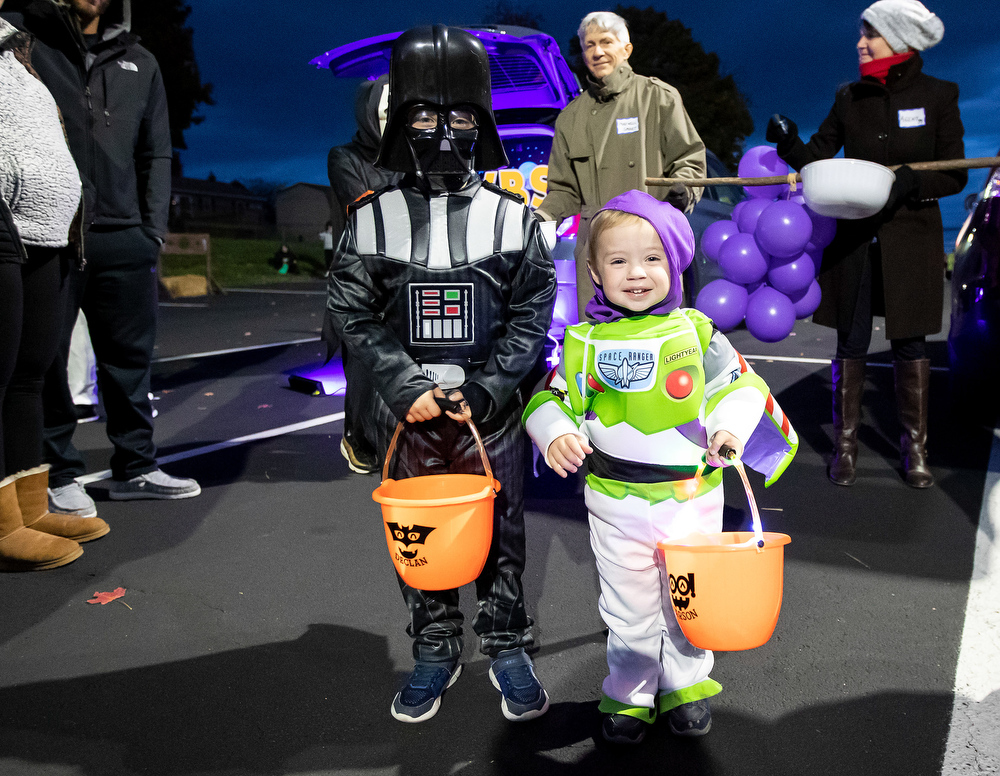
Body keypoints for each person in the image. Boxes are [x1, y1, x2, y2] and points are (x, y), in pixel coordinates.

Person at [327, 25, 557, 724]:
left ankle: (506, 638)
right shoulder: (370, 222)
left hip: (494, 414)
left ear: (482, 122)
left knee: (505, 529)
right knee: (420, 536)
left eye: (459, 117)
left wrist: (489, 387)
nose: (442, 133)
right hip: (411, 420)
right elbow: (350, 307)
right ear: (399, 122)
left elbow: (532, 310)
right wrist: (404, 388)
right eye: (423, 116)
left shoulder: (516, 221)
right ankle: (434, 643)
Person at [523, 190, 797, 744]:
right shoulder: (582, 342)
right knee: (627, 607)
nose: (637, 273)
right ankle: (630, 694)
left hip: (690, 499)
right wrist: (556, 434)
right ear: (595, 274)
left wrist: (729, 424)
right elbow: (548, 400)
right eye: (617, 260)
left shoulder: (697, 333)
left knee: (688, 600)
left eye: (652, 258)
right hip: (614, 501)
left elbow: (739, 385)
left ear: (675, 264)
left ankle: (686, 685)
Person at [1, 0, 201, 518]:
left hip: (125, 236)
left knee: (130, 361)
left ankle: (136, 465)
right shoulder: (28, 43)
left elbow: (156, 151)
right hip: (55, 231)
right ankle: (58, 472)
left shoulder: (142, 61)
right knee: (44, 360)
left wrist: (150, 230)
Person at [766, 0, 965, 489]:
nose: (860, 43)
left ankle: (914, 449)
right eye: (861, 34)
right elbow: (817, 156)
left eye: (870, 34)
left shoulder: (939, 94)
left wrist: (912, 184)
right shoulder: (848, 96)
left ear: (898, 39)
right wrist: (788, 142)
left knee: (911, 342)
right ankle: (845, 447)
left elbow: (955, 171)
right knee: (851, 340)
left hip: (911, 240)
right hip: (855, 239)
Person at [1, 5, 110, 571]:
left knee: (29, 374)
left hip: (47, 233)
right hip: (8, 226)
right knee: (2, 374)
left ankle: (25, 509)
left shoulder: (19, 51)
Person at [536, 11, 707, 321]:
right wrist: (542, 216)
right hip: (597, 254)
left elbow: (690, 162)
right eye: (589, 45)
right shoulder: (570, 117)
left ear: (626, 50)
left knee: (657, 342)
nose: (597, 52)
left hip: (650, 247)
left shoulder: (658, 97)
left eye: (606, 42)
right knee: (601, 347)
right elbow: (564, 189)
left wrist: (681, 193)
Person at [325, 74, 401, 475]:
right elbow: (365, 207)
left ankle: (390, 437)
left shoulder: (409, 157)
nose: (393, 120)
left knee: (397, 361)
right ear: (368, 113)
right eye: (386, 111)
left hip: (400, 278)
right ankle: (358, 438)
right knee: (361, 366)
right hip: (361, 277)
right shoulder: (344, 156)